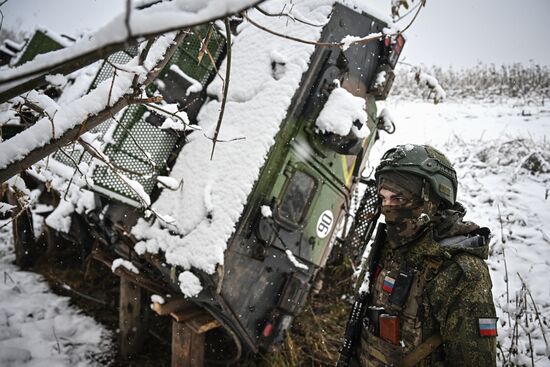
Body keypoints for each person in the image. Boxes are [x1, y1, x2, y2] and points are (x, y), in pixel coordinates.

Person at [351, 144, 497, 366]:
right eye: (383, 198)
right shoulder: (391, 246)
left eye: (398, 199)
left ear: (434, 199)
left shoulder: (460, 272)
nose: (388, 207)